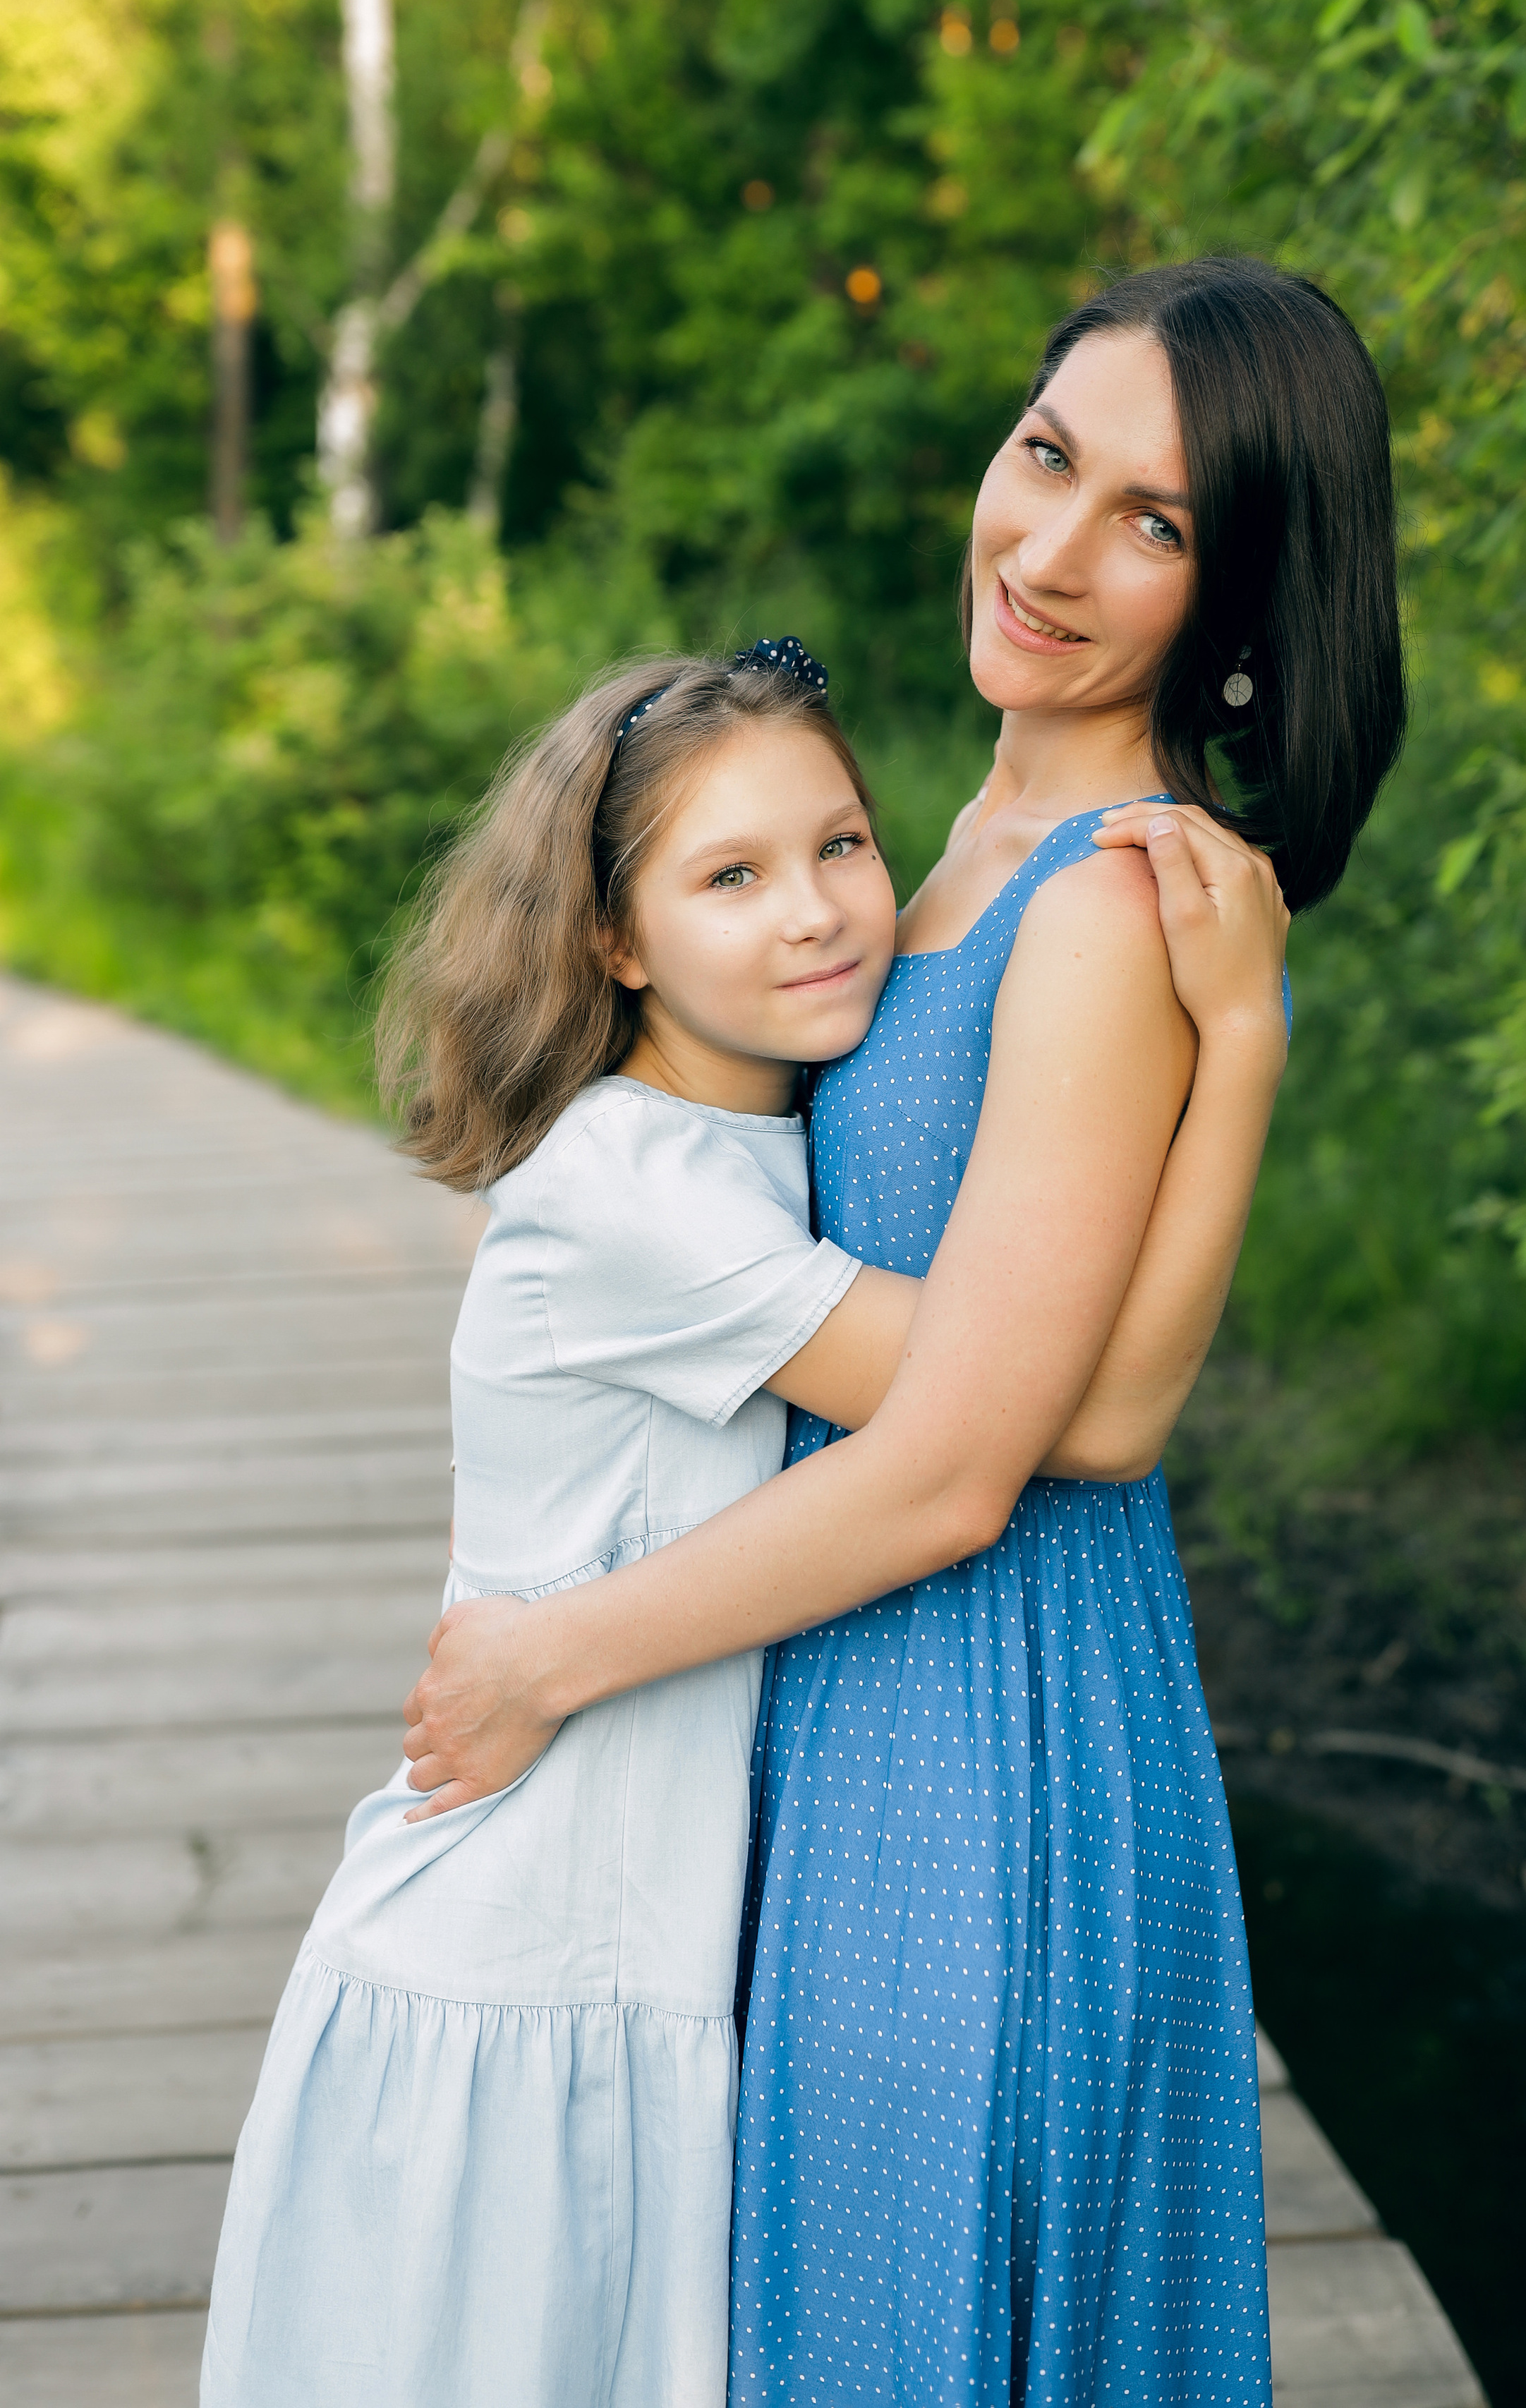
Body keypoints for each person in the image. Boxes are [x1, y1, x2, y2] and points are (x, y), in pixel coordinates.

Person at [397, 255, 1405, 2406]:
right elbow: (1055, 1391)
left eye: (1154, 522)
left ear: (1239, 598)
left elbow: (1002, 1457)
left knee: (914, 2326)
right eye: (1048, 456)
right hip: (869, 1697)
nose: (1049, 549)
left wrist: (547, 1656)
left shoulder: (1108, 897)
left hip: (981, 1721)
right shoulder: (948, 851)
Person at [199, 631, 1280, 2408]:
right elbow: (1068, 1414)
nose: (815, 912)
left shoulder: (772, 1147)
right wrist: (1235, 1042)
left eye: (839, 845)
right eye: (730, 878)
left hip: (650, 1970)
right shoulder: (638, 1190)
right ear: (615, 944)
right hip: (519, 1977)